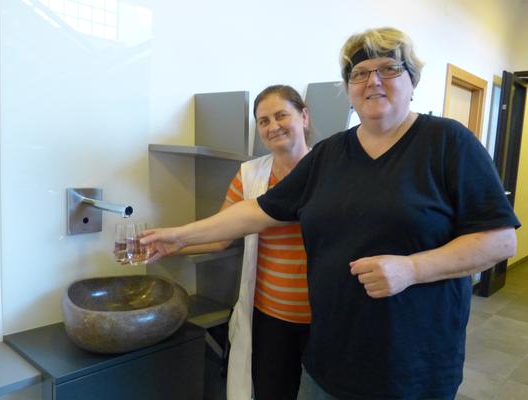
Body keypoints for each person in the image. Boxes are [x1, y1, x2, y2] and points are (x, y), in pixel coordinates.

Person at [142, 27, 520, 400]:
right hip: (328, 361)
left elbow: (500, 241)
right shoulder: (329, 155)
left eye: (388, 68)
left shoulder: (448, 142)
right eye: (359, 73)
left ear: (412, 80)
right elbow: (257, 211)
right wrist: (178, 236)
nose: (372, 81)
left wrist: (412, 269)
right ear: (349, 88)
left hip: (411, 366)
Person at [145, 85, 312, 400]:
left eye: (281, 115)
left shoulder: (329, 170)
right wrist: (173, 245)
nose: (273, 126)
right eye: (263, 121)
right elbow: (222, 235)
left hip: (322, 318)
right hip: (268, 316)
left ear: (303, 117)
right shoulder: (250, 175)